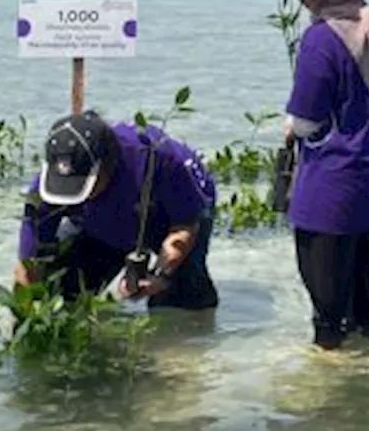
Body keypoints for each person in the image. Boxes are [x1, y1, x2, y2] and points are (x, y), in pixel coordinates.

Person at [257, 0, 369, 350]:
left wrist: (287, 127)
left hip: (332, 184)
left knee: (328, 316)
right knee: (367, 304)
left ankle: (330, 400)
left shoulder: (320, 39)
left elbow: (306, 118)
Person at [15, 110, 219, 309]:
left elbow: (184, 226)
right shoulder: (52, 181)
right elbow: (30, 258)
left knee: (179, 303)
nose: (78, 196)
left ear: (108, 165)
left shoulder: (160, 160)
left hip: (167, 215)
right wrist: (26, 311)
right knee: (59, 293)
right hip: (97, 224)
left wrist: (161, 275)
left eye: (85, 187)